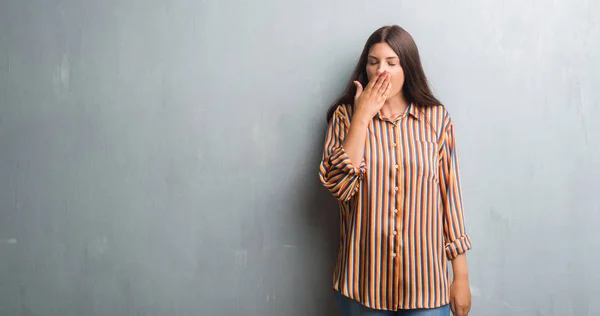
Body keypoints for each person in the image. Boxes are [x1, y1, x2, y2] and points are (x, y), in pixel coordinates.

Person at [318, 25, 472, 316]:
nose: (381, 71)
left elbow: (450, 199)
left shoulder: (436, 119)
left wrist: (460, 276)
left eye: (392, 63)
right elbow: (338, 187)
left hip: (427, 288)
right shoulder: (345, 117)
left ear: (408, 67)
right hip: (362, 285)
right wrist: (362, 116)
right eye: (373, 62)